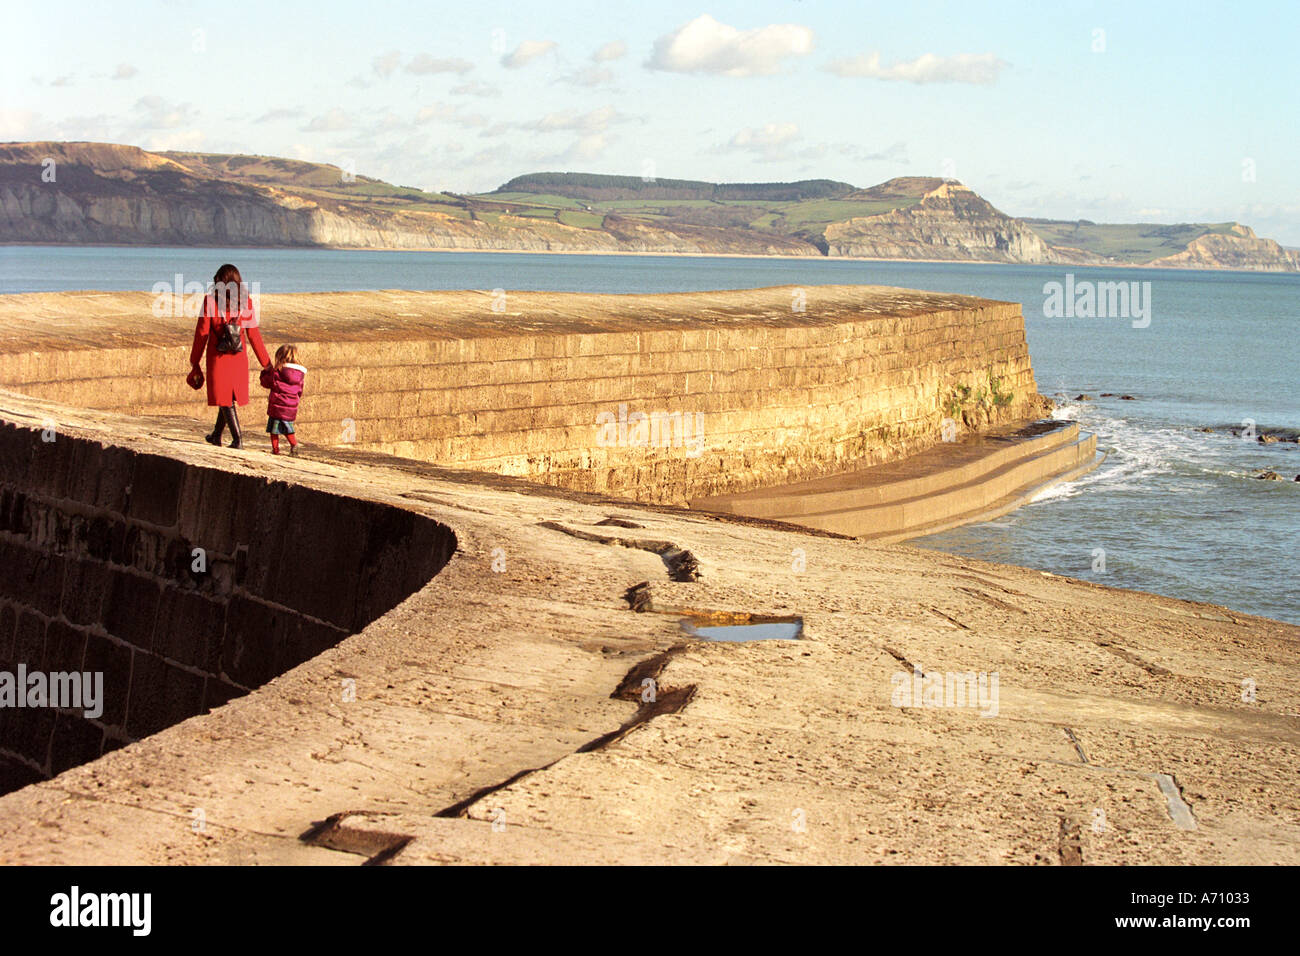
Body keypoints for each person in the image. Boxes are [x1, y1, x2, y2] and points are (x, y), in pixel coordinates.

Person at [189, 263, 270, 449]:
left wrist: (195, 362)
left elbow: (201, 334)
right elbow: (254, 335)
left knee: (225, 398)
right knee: (226, 397)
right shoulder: (245, 302)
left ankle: (238, 439)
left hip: (218, 357)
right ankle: (216, 435)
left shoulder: (210, 302)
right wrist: (267, 363)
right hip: (238, 358)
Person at [261, 344, 306, 456]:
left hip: (277, 406)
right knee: (288, 428)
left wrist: (265, 372)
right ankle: (293, 444)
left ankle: (275, 450)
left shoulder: (277, 372)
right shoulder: (299, 375)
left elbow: (266, 383)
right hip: (290, 407)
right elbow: (300, 391)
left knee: (273, 430)